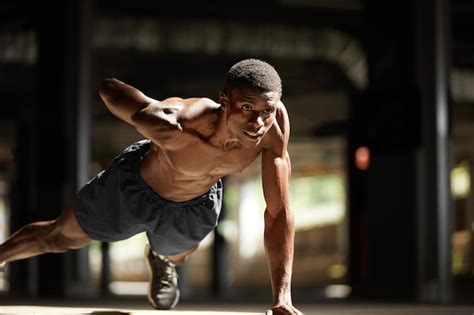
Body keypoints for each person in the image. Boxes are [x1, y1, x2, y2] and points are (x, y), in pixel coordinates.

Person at [0, 59, 302, 315]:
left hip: (195, 202)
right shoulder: (181, 121)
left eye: (267, 110)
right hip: (133, 187)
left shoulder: (274, 129)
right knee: (59, 237)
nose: (257, 122)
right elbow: (110, 90)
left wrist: (282, 297)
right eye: (246, 108)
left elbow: (278, 212)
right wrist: (140, 109)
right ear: (225, 99)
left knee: (178, 252)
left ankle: (161, 260)